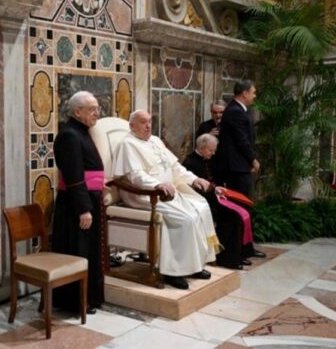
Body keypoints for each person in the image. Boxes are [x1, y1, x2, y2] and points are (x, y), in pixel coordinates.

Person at [111, 110, 221, 290]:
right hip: (144, 195)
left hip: (168, 192)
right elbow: (135, 176)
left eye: (149, 121)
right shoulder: (127, 145)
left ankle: (194, 265)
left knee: (200, 209)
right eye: (142, 122)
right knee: (185, 220)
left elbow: (175, 167)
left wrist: (194, 179)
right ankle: (173, 271)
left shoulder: (155, 141)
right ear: (131, 126)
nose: (148, 126)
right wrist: (157, 185)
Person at [52, 91, 104, 314]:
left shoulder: (81, 131)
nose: (97, 113)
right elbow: (74, 176)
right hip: (76, 207)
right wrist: (83, 208)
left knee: (89, 252)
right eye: (92, 109)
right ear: (77, 112)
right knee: (78, 252)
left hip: (88, 200)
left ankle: (88, 299)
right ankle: (75, 302)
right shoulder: (70, 135)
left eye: (97, 108)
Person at [214, 80, 265, 259]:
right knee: (239, 209)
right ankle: (237, 250)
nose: (254, 95)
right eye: (253, 92)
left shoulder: (238, 110)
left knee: (244, 208)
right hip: (234, 169)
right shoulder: (235, 111)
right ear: (244, 93)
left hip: (239, 166)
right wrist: (251, 159)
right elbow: (241, 140)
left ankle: (244, 248)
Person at [183, 134, 244, 270]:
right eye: (211, 150)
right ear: (203, 148)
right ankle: (225, 258)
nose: (213, 153)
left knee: (235, 212)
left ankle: (234, 257)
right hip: (200, 202)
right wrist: (214, 192)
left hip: (212, 198)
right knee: (230, 216)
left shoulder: (207, 159)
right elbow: (195, 189)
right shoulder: (190, 162)